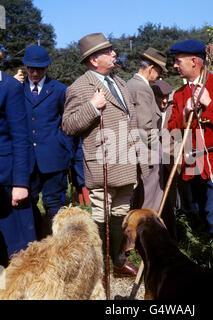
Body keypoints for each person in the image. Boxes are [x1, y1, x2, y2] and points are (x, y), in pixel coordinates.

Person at [62, 32, 139, 278]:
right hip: (102, 165)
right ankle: (96, 267)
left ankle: (117, 262)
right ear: (94, 60)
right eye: (108, 51)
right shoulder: (79, 88)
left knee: (120, 213)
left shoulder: (120, 83)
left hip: (126, 161)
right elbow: (69, 125)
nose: (114, 54)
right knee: (101, 215)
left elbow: (131, 120)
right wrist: (92, 107)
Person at [167, 40, 213, 269]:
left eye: (178, 61)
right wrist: (186, 111)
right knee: (202, 215)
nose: (174, 66)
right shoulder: (179, 95)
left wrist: (209, 103)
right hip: (192, 165)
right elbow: (172, 130)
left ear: (194, 61)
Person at [19, 45, 74, 239]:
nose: (34, 73)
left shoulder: (59, 90)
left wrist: (65, 152)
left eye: (39, 69)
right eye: (31, 69)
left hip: (53, 160)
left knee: (53, 204)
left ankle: (55, 244)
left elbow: (67, 123)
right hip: (27, 161)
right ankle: (33, 242)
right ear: (25, 67)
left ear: (47, 68)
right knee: (28, 202)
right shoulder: (17, 89)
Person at [0, 51, 36, 267]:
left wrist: (20, 183)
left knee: (18, 254)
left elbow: (21, 137)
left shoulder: (10, 87)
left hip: (6, 180)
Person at [127, 48, 167, 213]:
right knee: (150, 204)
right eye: (159, 71)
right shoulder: (143, 88)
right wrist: (159, 150)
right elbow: (145, 127)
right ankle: (146, 236)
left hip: (135, 153)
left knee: (138, 200)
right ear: (151, 68)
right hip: (148, 154)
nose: (159, 76)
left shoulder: (129, 84)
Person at [150, 79, 178, 239]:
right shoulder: (148, 111)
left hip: (170, 164)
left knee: (169, 203)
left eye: (167, 97)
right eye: (161, 97)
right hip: (152, 165)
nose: (165, 101)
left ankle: (171, 236)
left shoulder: (171, 110)